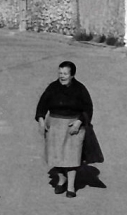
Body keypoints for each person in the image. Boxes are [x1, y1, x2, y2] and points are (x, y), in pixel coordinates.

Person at [35, 60, 93, 198]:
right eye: (60, 73)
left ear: (72, 75)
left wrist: (79, 122)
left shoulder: (80, 89)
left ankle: (71, 186)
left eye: (65, 73)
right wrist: (41, 121)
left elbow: (88, 108)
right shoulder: (52, 87)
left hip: (73, 127)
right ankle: (62, 179)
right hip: (54, 125)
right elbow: (42, 105)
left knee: (72, 157)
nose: (62, 76)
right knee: (56, 157)